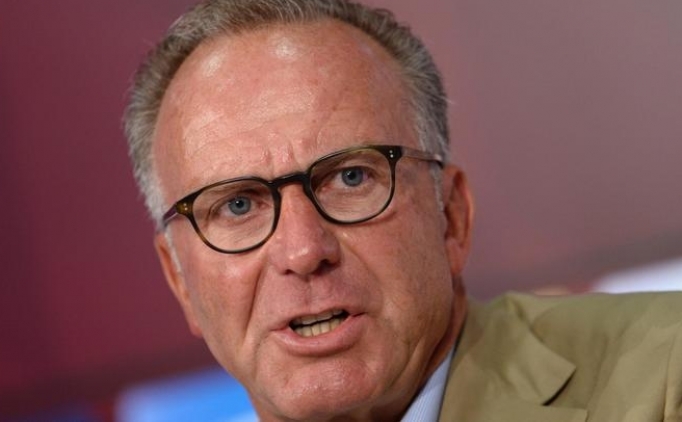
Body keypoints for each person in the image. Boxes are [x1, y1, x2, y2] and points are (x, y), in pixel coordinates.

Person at [123, 0, 682, 420]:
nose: (304, 250)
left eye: (351, 177)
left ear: (451, 216)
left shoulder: (665, 379)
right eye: (237, 205)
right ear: (179, 280)